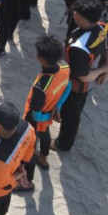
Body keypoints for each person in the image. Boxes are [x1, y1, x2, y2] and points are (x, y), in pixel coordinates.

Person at [55, 0, 108, 152]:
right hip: (91, 76)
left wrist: (103, 70)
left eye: (76, 14)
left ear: (84, 19)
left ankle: (63, 143)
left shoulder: (79, 48)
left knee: (70, 115)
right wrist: (107, 66)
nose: (73, 14)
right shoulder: (104, 25)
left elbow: (83, 77)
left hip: (77, 86)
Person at [22, 35, 70, 184]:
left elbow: (35, 115)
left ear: (40, 58)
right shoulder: (65, 67)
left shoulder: (40, 87)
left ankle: (27, 166)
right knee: (45, 135)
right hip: (50, 111)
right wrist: (58, 107)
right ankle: (43, 158)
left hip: (37, 117)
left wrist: (49, 115)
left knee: (30, 142)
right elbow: (68, 86)